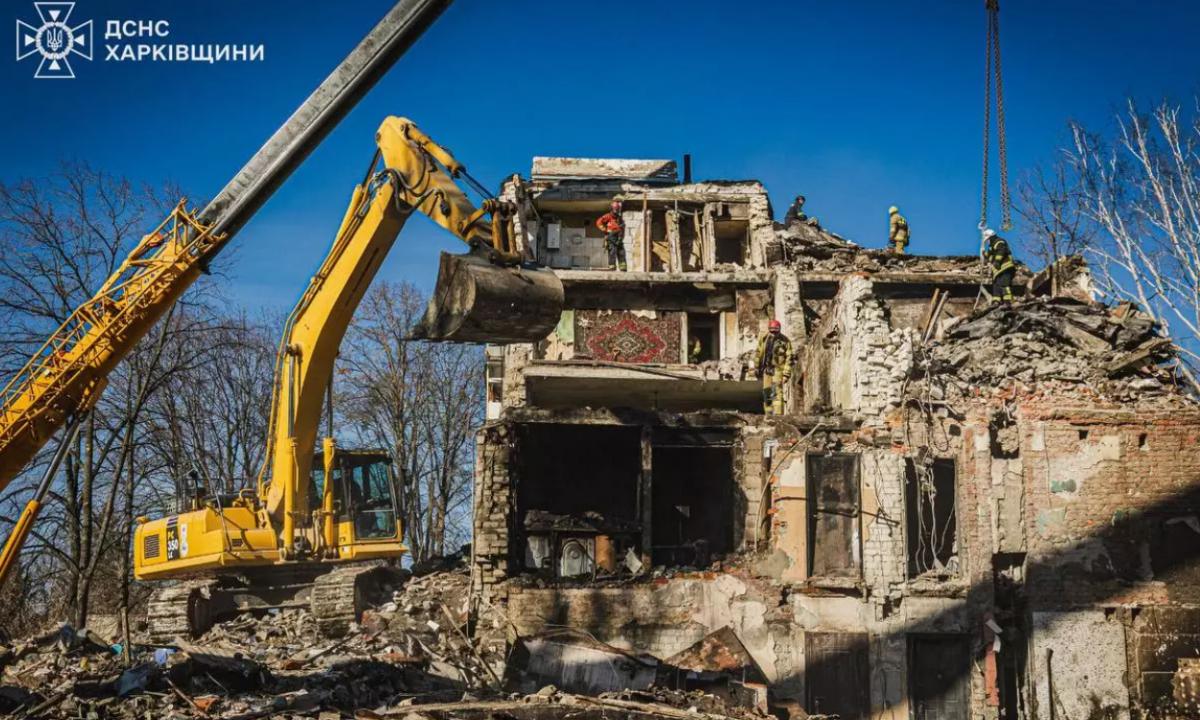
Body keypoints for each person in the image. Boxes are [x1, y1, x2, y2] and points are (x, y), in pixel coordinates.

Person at [755, 319, 793, 415]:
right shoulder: (763, 338)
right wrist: (756, 368)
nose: (774, 334)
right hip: (766, 369)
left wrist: (786, 374)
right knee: (767, 393)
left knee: (776, 393)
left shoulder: (785, 341)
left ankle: (778, 416)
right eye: (772, 331)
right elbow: (758, 353)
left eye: (776, 331)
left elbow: (789, 358)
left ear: (779, 330)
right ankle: (768, 415)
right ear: (769, 329)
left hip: (778, 370)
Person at [982, 228, 1016, 302]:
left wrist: (997, 261)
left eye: (988, 239)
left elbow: (1001, 251)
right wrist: (984, 254)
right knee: (996, 287)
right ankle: (996, 302)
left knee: (1004, 284)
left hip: (1005, 267)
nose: (987, 241)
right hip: (998, 271)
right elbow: (990, 255)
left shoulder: (999, 242)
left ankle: (1008, 302)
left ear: (991, 237)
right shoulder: (991, 247)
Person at [594, 200, 627, 271]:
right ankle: (612, 267)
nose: (616, 211)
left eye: (617, 210)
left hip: (619, 236)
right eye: (615, 209)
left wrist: (621, 236)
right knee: (612, 251)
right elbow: (598, 222)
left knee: (621, 252)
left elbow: (622, 227)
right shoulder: (608, 216)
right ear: (612, 209)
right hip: (611, 236)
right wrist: (605, 230)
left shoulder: (619, 218)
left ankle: (623, 268)